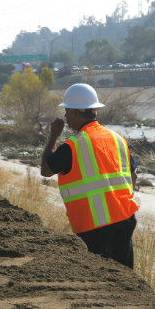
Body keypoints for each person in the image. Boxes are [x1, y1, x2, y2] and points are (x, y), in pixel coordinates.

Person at [40, 83, 139, 269]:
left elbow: (46, 170)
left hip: (95, 226)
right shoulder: (117, 139)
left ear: (77, 113)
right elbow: (132, 175)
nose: (66, 117)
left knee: (101, 278)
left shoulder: (73, 145)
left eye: (67, 112)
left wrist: (53, 137)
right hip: (125, 218)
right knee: (126, 276)